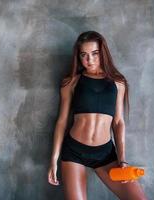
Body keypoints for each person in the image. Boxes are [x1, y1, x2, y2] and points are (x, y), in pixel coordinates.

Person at [47, 31, 147, 200]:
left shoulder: (118, 82)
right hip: (74, 152)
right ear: (78, 57)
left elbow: (118, 122)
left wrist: (122, 160)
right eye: (84, 55)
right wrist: (53, 160)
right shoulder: (71, 82)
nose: (89, 60)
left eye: (95, 54)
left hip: (105, 154)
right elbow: (62, 121)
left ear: (103, 53)